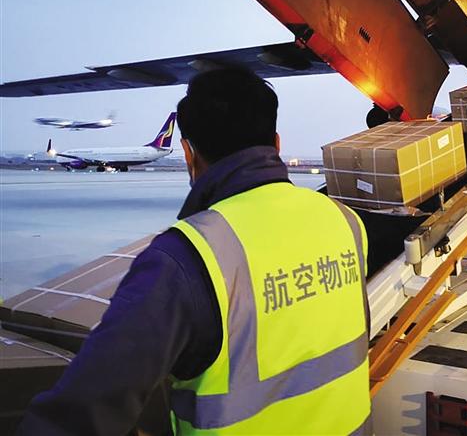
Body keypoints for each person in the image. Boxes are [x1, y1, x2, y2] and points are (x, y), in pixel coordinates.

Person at [18, 68, 372, 435]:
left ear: (188, 152)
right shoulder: (344, 220)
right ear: (277, 144)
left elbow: (83, 413)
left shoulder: (186, 258)